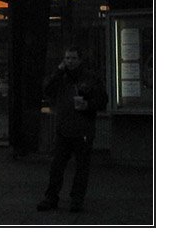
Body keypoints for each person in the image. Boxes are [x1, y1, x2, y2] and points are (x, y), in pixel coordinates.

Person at [36, 46, 108, 213]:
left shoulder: (90, 78)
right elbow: (48, 90)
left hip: (83, 127)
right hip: (64, 128)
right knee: (57, 165)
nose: (70, 61)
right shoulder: (61, 77)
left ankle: (76, 198)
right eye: (67, 58)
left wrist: (88, 105)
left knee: (81, 166)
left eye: (73, 58)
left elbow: (102, 100)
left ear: (79, 60)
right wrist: (58, 72)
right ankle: (52, 196)